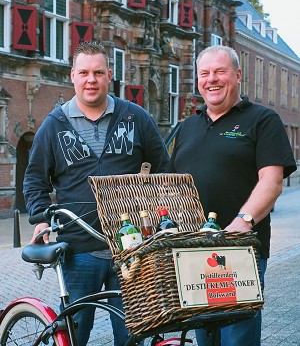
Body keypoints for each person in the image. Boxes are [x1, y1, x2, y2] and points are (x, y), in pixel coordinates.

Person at [23, 40, 170, 346]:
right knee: (76, 335)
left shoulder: (135, 117)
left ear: (109, 76)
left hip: (131, 250)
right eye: (85, 72)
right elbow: (35, 180)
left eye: (98, 72)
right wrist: (40, 221)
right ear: (72, 75)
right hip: (77, 251)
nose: (91, 79)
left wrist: (158, 217)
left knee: (133, 336)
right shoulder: (53, 125)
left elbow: (164, 172)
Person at [170, 45, 297, 346]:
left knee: (236, 339)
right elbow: (169, 185)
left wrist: (244, 220)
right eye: (205, 73)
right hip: (192, 253)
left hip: (238, 253)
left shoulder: (262, 120)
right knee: (205, 339)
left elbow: (272, 180)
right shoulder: (186, 127)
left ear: (238, 75)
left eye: (220, 71)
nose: (212, 79)